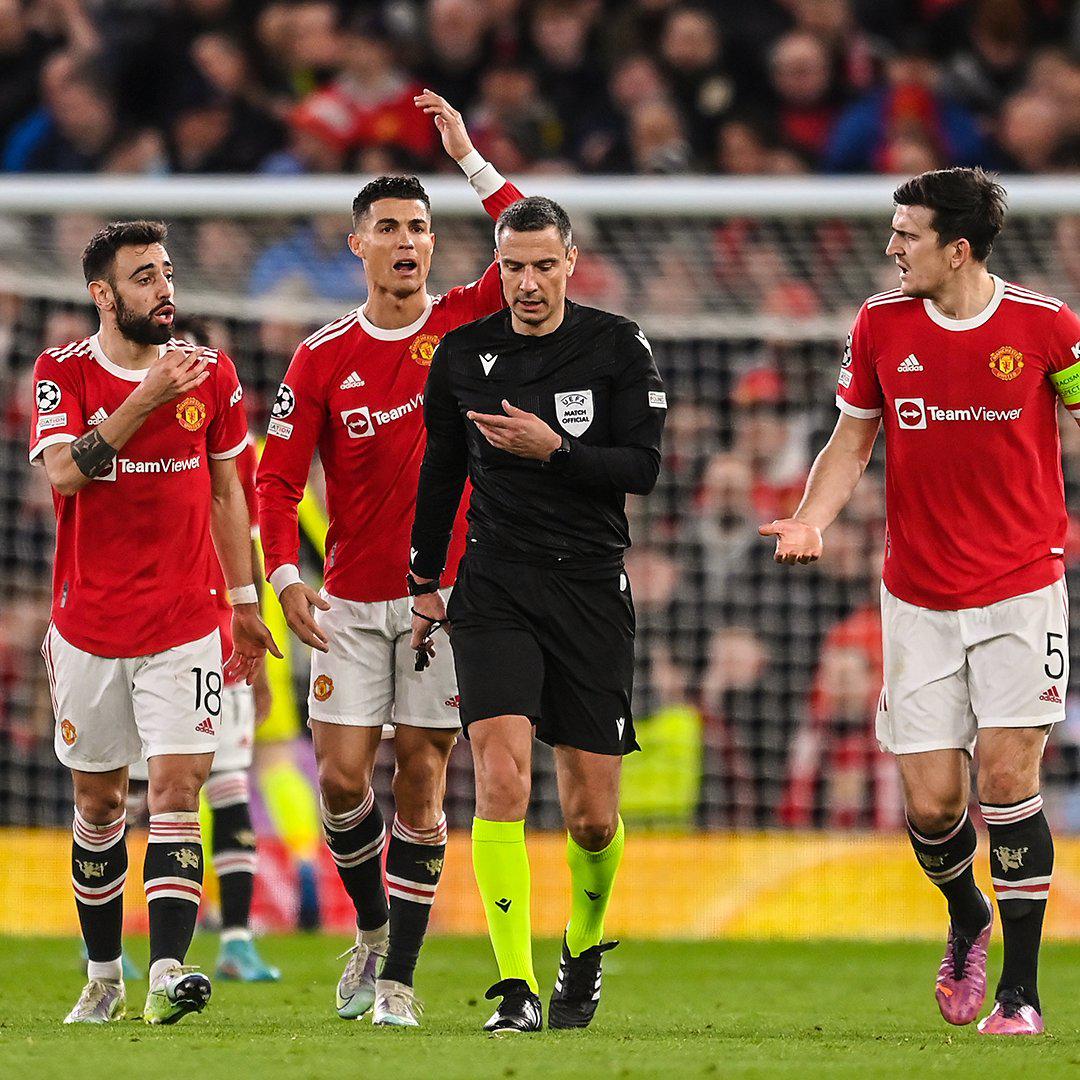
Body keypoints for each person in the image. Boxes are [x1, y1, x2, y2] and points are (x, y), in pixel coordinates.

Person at [760, 167, 1080, 1036]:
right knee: (936, 808)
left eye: (907, 235)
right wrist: (809, 520)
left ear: (958, 248)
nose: (891, 248)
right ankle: (966, 914)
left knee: (1010, 782)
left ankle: (1019, 992)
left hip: (1022, 589)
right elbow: (850, 439)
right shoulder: (880, 324)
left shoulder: (1046, 328)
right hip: (918, 597)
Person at [257, 91, 522, 1028]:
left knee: (421, 772)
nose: (408, 240)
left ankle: (399, 981)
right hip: (350, 601)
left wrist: (467, 156)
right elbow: (274, 486)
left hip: (445, 599)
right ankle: (369, 930)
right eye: (389, 227)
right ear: (358, 244)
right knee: (339, 779)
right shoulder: (322, 358)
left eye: (419, 226)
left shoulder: (461, 324)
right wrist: (287, 578)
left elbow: (525, 240)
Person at [408, 195, 666, 1033]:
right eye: (512, 267)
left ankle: (581, 949)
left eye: (542, 265)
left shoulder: (617, 344)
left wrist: (554, 447)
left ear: (570, 261)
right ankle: (514, 988)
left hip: (590, 589)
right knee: (502, 779)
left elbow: (643, 467)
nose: (527, 282)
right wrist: (423, 580)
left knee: (592, 817)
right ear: (498, 266)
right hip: (496, 589)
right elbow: (441, 472)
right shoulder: (462, 355)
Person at [29, 220, 279, 1025]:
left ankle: (169, 973)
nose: (164, 288)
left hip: (184, 621)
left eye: (167, 273)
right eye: (143, 277)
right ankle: (104, 975)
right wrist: (145, 398)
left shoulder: (211, 373)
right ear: (103, 295)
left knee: (178, 790)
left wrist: (244, 608)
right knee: (101, 807)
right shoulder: (60, 371)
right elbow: (66, 474)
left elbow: (227, 491)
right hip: (89, 626)